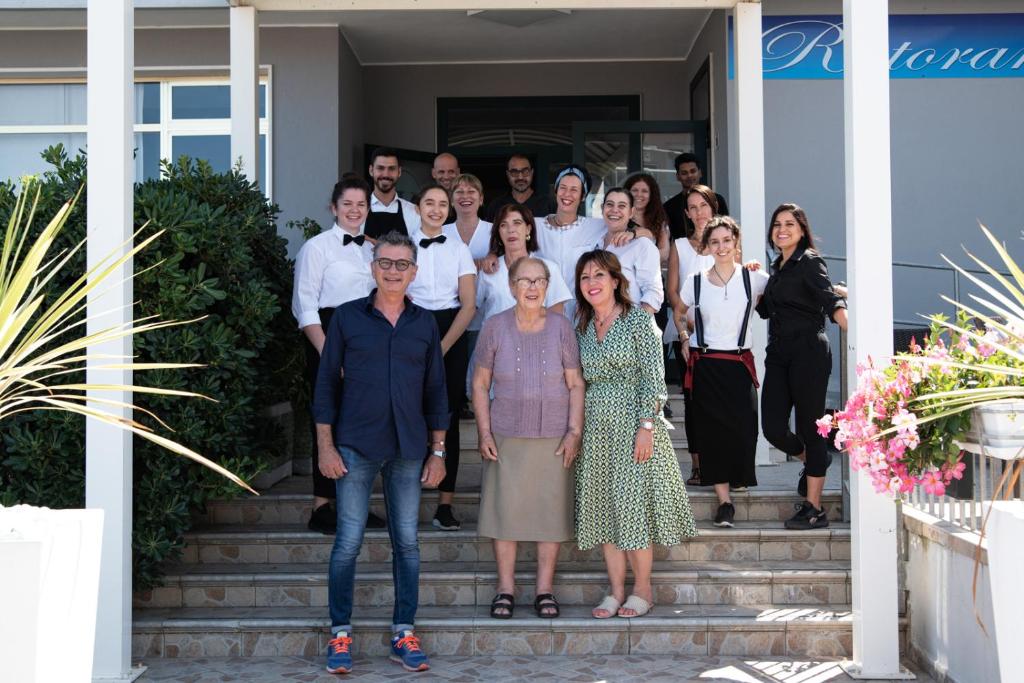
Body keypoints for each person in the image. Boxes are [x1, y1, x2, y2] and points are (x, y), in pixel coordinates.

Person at [314, 231, 448, 675]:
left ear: (414, 271)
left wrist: (439, 450)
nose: (393, 271)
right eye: (385, 263)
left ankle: (403, 632)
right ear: (372, 269)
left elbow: (436, 390)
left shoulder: (425, 323)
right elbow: (326, 384)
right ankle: (340, 634)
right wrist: (325, 445)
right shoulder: (346, 319)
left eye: (401, 264)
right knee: (348, 541)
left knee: (407, 543)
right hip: (354, 445)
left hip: (410, 448)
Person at [573, 249, 697, 620]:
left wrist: (646, 427)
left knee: (631, 508)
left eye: (598, 276)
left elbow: (654, 379)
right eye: (584, 278)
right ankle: (614, 591)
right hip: (596, 429)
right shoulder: (581, 328)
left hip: (633, 425)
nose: (592, 283)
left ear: (615, 280)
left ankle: (642, 589)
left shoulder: (639, 321)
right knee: (606, 510)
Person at [472, 256, 585, 620]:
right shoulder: (494, 326)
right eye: (525, 280)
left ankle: (544, 589)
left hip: (554, 436)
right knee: (505, 513)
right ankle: (505, 588)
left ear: (547, 286)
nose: (533, 288)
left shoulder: (562, 327)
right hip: (505, 434)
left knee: (549, 514)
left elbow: (575, 383)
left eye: (539, 281)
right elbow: (480, 383)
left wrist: (574, 431)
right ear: (511, 286)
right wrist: (484, 430)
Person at [292, 177, 386, 534]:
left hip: (368, 339)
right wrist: (331, 354)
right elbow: (305, 307)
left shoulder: (372, 251)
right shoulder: (316, 248)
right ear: (334, 208)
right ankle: (322, 506)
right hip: (328, 337)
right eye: (347, 204)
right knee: (328, 418)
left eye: (361, 205)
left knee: (361, 422)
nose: (354, 210)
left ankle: (356, 505)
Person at [757, 203, 848, 530]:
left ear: (801, 229)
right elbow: (766, 309)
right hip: (780, 353)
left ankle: (814, 508)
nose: (782, 229)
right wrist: (756, 281)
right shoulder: (777, 266)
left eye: (789, 224)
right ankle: (812, 461)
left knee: (811, 428)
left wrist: (849, 324)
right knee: (772, 428)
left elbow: (828, 297)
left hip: (809, 349)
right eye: (777, 224)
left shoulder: (809, 261)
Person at [680, 217, 768, 528]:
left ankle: (739, 478)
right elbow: (681, 314)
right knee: (712, 435)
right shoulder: (695, 282)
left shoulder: (755, 279)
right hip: (707, 364)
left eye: (726, 240)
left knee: (745, 429)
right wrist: (683, 338)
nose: (721, 247)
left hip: (739, 364)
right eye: (714, 242)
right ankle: (724, 503)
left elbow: (778, 299)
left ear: (736, 243)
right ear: (707, 246)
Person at [408, 184, 477, 531]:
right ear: (417, 207)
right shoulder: (403, 245)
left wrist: (442, 346)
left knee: (446, 414)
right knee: (408, 410)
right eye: (429, 202)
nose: (435, 209)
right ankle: (406, 497)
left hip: (451, 329)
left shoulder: (459, 249)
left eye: (442, 204)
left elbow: (468, 304)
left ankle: (445, 504)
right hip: (410, 325)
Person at [666, 184, 718, 487]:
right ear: (686, 213)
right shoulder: (680, 245)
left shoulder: (726, 242)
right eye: (693, 207)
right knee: (693, 401)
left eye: (704, 205)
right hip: (686, 331)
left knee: (721, 403)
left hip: (722, 335)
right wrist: (687, 321)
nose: (699, 212)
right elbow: (672, 291)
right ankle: (698, 466)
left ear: (713, 207)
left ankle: (723, 464)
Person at [534, 165, 621, 320]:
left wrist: (636, 231)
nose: (567, 194)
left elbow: (623, 223)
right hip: (541, 313)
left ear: (582, 196)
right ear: (556, 191)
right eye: (563, 188)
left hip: (581, 315)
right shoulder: (535, 225)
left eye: (574, 189)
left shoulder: (595, 226)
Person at [475, 203, 572, 323]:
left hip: (538, 340)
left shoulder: (549, 268)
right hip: (495, 340)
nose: (511, 230)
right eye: (503, 225)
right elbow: (473, 309)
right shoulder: (489, 270)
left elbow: (557, 319)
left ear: (528, 229)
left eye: (517, 223)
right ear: (498, 233)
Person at [597, 188, 664, 315]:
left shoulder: (642, 245)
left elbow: (653, 293)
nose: (614, 210)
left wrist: (635, 329)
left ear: (631, 212)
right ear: (602, 208)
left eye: (622, 206)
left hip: (631, 329)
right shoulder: (594, 241)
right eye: (609, 204)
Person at [662, 153, 729, 241]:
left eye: (693, 171)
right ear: (678, 176)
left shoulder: (717, 200)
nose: (689, 176)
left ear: (700, 173)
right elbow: (667, 238)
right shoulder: (669, 207)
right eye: (684, 173)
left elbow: (727, 230)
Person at [364, 147, 420, 238]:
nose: (386, 174)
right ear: (371, 170)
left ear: (399, 172)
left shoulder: (412, 212)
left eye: (392, 169)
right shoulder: (358, 210)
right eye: (380, 168)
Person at [483, 152, 553, 222]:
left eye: (525, 171)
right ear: (508, 174)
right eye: (514, 172)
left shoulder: (548, 203)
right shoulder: (496, 205)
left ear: (532, 172)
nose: (520, 177)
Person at [624, 173, 670, 264]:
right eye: (634, 190)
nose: (639, 194)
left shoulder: (659, 220)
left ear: (651, 195)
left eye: (644, 191)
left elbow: (665, 253)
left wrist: (638, 259)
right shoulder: (620, 218)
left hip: (651, 275)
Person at [432, 152, 460, 223]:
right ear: (433, 173)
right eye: (441, 172)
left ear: (458, 172)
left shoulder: (466, 202)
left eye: (451, 172)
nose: (446, 177)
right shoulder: (422, 200)